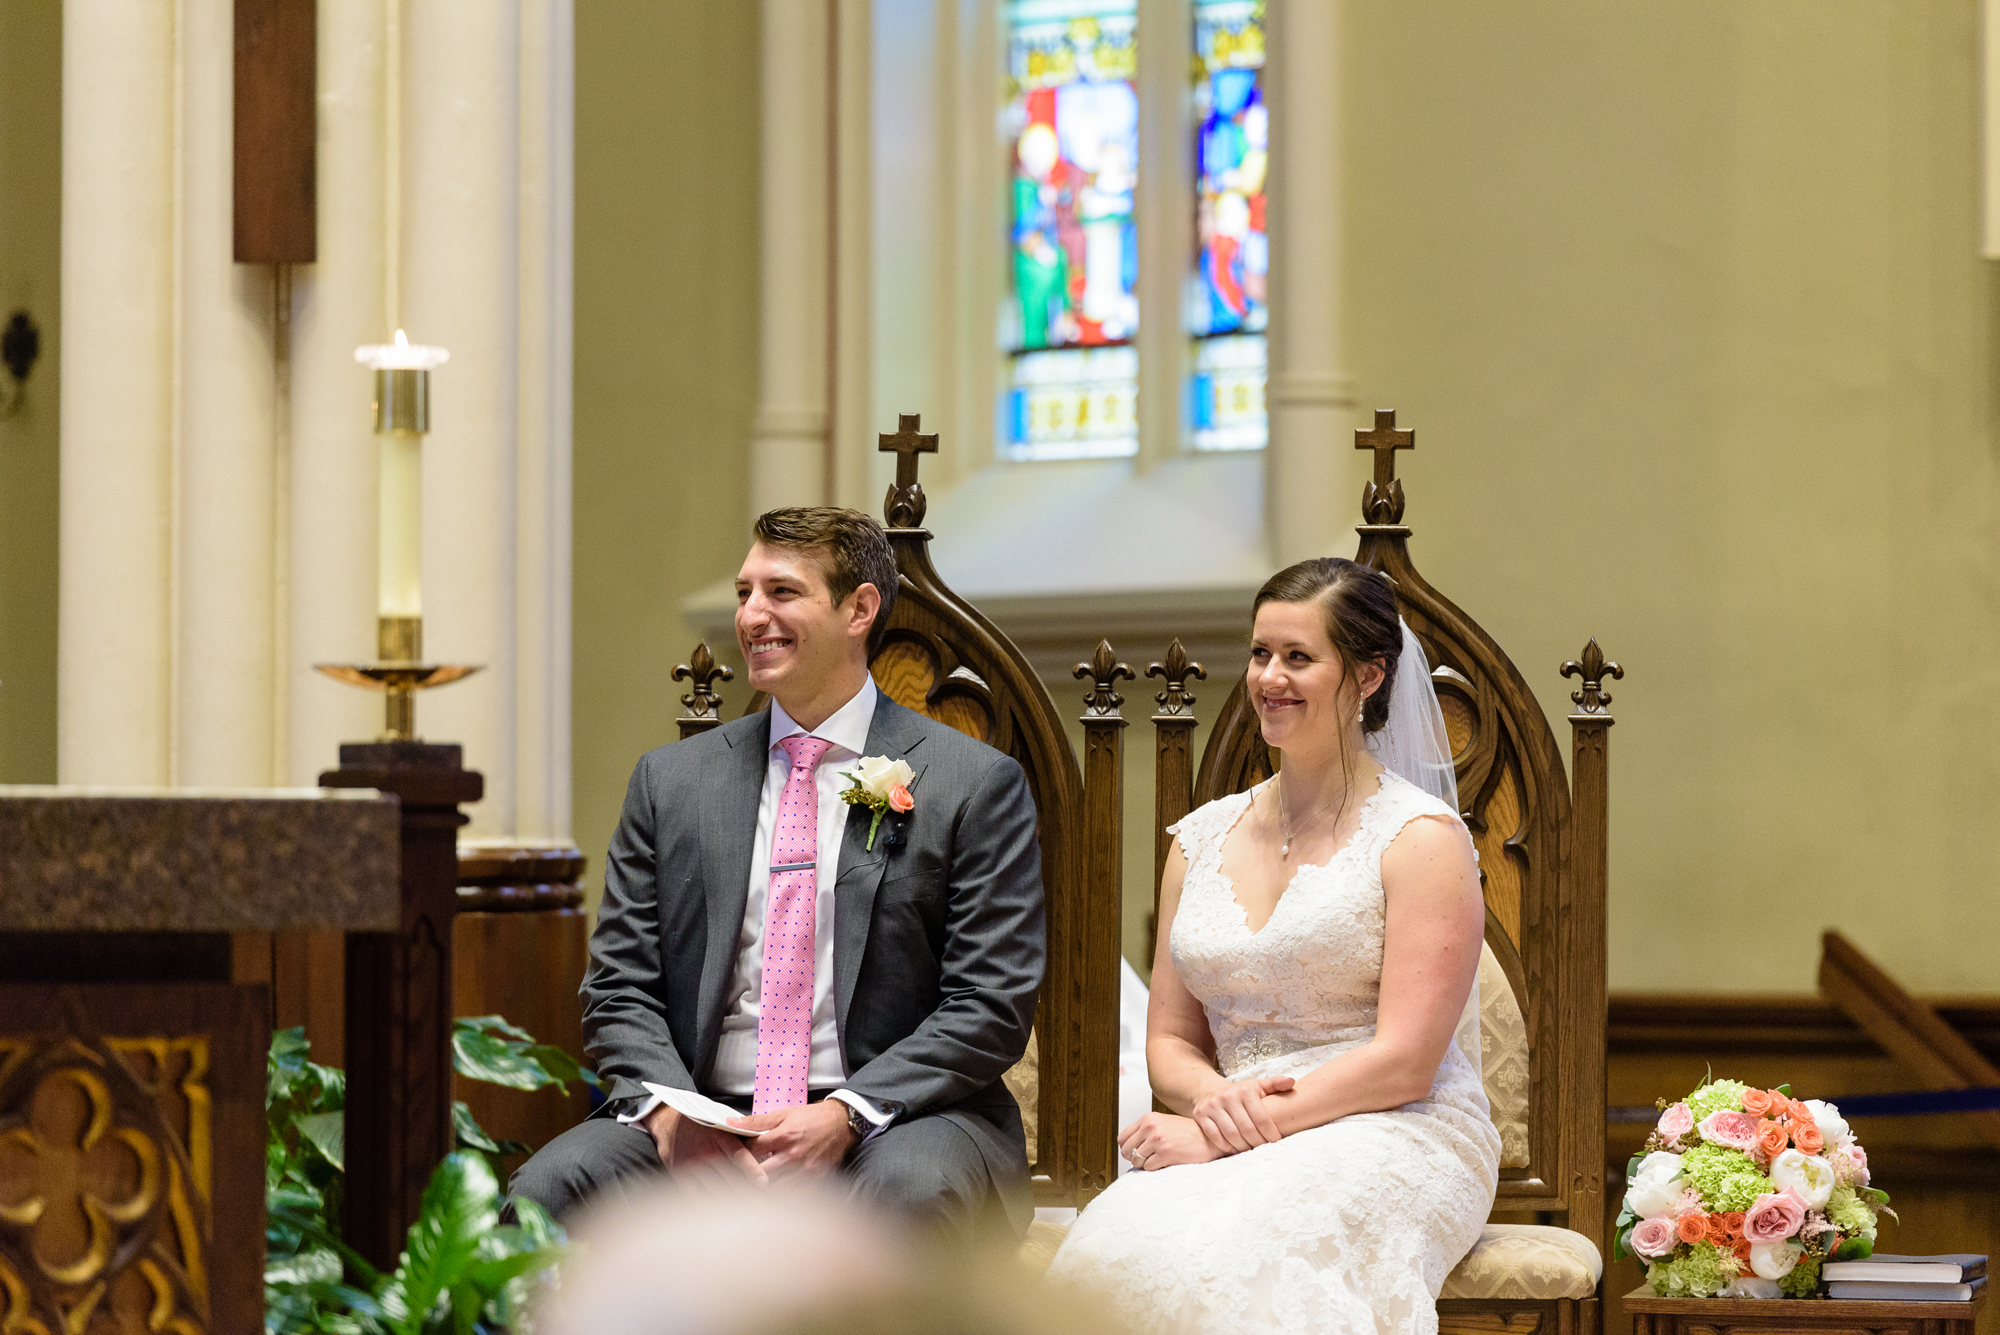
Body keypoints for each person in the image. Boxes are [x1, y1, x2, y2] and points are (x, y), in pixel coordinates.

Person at [510, 507, 1046, 1243]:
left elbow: (990, 1003)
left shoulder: (971, 783)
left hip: (898, 1121)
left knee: (909, 1195)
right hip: (701, 1110)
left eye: (782, 592)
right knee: (548, 1192)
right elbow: (617, 987)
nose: (751, 615)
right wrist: (673, 1116)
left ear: (859, 608)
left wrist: (844, 1114)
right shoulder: (671, 783)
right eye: (743, 593)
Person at [1047, 557, 1500, 1334]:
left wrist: (1221, 1131)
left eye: (1298, 656)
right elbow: (1169, 1039)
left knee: (1247, 1254)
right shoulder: (1200, 838)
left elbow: (1405, 1061)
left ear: (1367, 675)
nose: (1270, 677)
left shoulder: (1420, 838)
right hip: (1234, 1121)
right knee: (1107, 1252)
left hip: (1396, 1122)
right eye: (1261, 653)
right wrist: (1213, 1105)